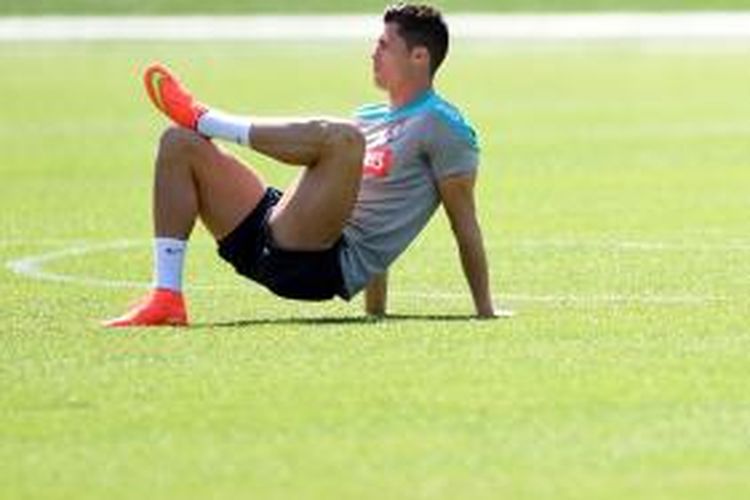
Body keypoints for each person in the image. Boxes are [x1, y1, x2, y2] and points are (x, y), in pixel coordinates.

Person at [103, 3, 496, 327]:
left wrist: (485, 311)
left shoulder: (443, 126)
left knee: (344, 138)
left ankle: (209, 119)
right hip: (276, 234)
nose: (372, 53)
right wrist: (377, 311)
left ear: (419, 56)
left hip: (320, 263)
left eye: (383, 44)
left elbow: (464, 222)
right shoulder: (369, 117)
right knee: (179, 143)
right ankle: (166, 297)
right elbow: (371, 198)